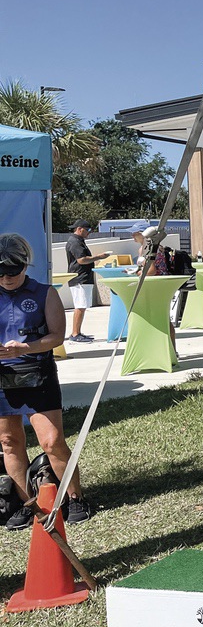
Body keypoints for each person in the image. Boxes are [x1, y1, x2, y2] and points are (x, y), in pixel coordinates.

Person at [0, 233, 92, 528]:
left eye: (13, 271)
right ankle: (29, 504)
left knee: (52, 441)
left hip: (37, 373)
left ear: (25, 266)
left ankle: (75, 497)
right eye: (0, 272)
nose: (7, 277)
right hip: (2, 377)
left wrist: (26, 347)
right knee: (9, 442)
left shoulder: (44, 293)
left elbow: (56, 336)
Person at [63, 219, 110, 343]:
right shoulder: (75, 242)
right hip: (79, 278)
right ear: (79, 229)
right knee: (80, 306)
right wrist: (99, 257)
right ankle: (75, 333)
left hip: (83, 278)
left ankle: (77, 332)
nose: (89, 232)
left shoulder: (78, 241)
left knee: (82, 306)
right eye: (88, 230)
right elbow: (81, 260)